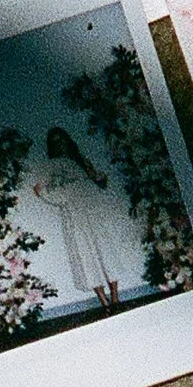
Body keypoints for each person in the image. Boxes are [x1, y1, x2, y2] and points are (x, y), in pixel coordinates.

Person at [35, 123, 129, 311]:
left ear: (67, 140)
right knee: (86, 255)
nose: (59, 144)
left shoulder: (80, 160)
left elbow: (100, 182)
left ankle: (116, 299)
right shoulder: (50, 166)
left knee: (105, 250)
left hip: (92, 210)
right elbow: (40, 190)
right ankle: (104, 303)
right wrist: (62, 199)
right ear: (50, 145)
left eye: (61, 139)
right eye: (55, 142)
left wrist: (98, 177)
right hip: (73, 216)